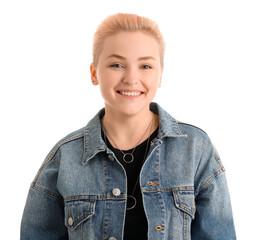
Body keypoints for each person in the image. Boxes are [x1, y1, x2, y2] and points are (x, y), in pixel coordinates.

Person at [20, 13, 236, 240]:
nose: (132, 78)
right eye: (116, 64)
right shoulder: (66, 156)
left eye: (145, 65)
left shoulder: (196, 149)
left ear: (160, 74)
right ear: (94, 73)